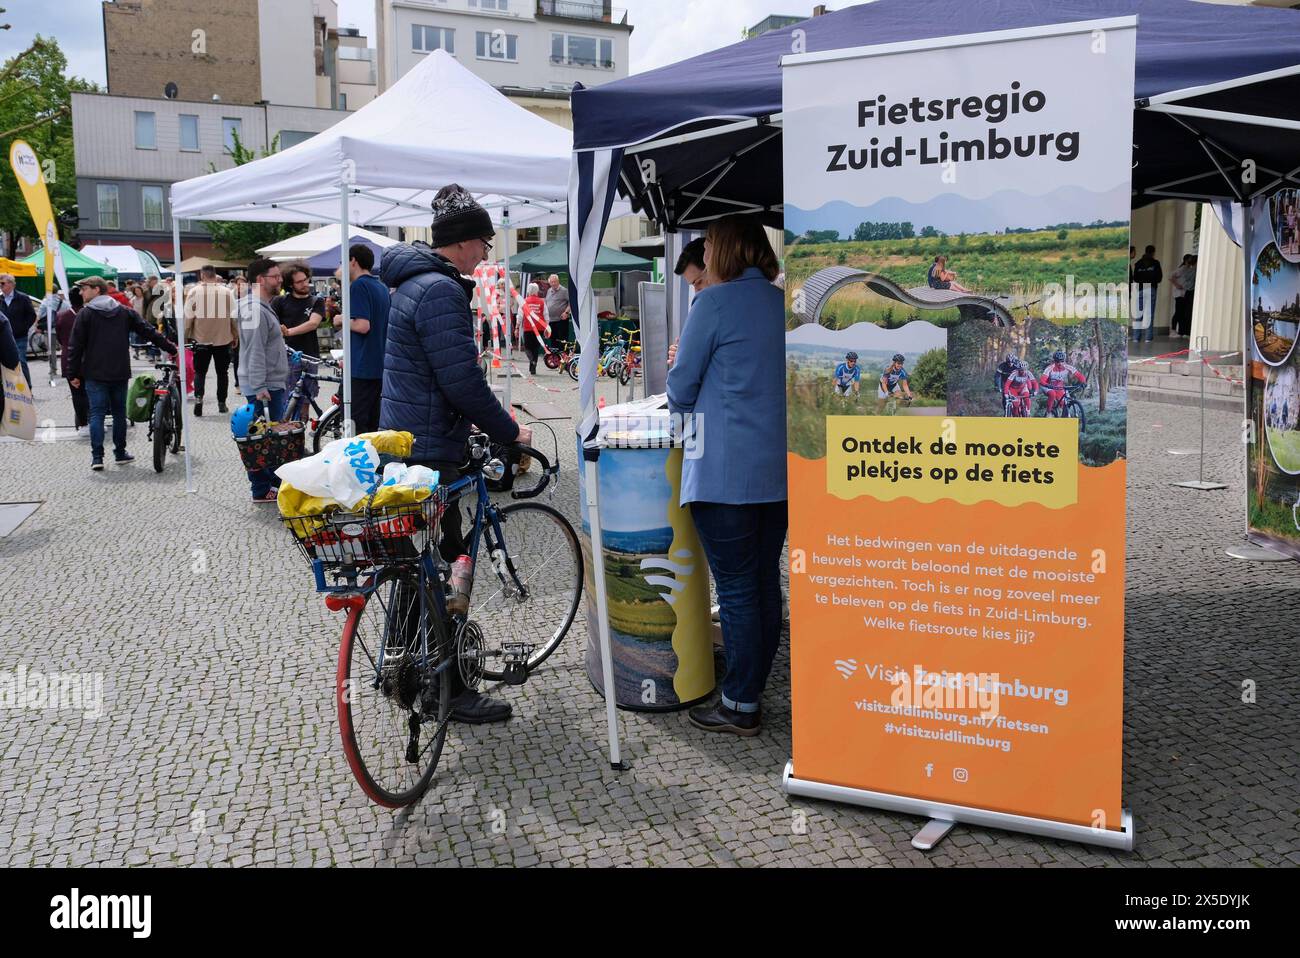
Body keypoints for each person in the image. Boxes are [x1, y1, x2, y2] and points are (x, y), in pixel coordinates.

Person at [379, 184, 533, 726]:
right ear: (464, 243)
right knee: (444, 566)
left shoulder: (410, 283)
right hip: (429, 447)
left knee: (414, 561)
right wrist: (511, 431)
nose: (488, 254)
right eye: (485, 244)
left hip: (404, 440)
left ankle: (402, 663)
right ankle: (450, 691)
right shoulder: (440, 291)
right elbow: (462, 381)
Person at [666, 214, 787, 737]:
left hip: (723, 472)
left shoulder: (712, 304)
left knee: (737, 589)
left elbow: (680, 388)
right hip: (777, 475)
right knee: (762, 581)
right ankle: (754, 684)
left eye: (711, 243)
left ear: (727, 249)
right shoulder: (781, 303)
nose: (706, 251)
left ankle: (740, 702)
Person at [67, 276, 177, 471]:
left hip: (94, 372)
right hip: (119, 371)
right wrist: (170, 347)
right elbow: (148, 331)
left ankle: (97, 457)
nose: (81, 292)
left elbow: (75, 347)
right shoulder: (123, 312)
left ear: (97, 290)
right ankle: (119, 453)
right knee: (119, 414)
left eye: (84, 288)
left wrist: (73, 374)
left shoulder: (85, 315)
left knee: (97, 414)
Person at [236, 258, 290, 503]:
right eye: (275, 276)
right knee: (258, 441)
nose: (280, 280)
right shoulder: (254, 309)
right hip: (264, 386)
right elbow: (254, 351)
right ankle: (260, 489)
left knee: (267, 438)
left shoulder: (260, 306)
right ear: (260, 280)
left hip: (269, 383)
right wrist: (259, 387)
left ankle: (269, 483)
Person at [335, 244, 390, 435]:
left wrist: (341, 319)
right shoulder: (381, 287)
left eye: (344, 261)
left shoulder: (359, 285)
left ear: (353, 261)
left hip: (360, 369)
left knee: (353, 425)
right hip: (378, 366)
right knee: (372, 427)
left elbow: (362, 325)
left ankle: (355, 465)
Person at [274, 262, 325, 419]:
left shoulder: (316, 301)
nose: (305, 284)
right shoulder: (280, 301)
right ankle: (285, 436)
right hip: (287, 356)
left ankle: (300, 437)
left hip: (309, 356)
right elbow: (273, 324)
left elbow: (313, 323)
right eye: (299, 282)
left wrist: (288, 331)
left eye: (305, 279)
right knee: (286, 400)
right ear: (290, 284)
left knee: (305, 402)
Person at [186, 265, 239, 416]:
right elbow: (233, 317)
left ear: (202, 275)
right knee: (222, 373)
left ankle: (198, 399)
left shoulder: (194, 292)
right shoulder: (227, 292)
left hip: (201, 338)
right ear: (215, 276)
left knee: (200, 372)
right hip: (222, 338)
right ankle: (221, 403)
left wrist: (186, 336)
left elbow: (188, 317)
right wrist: (235, 335)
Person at [667, 238, 711, 368]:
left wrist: (685, 358)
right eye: (693, 285)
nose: (697, 291)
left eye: (699, 282)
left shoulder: (714, 307)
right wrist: (684, 354)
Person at [55, 286, 89, 435]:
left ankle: (83, 424)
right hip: (88, 358)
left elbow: (60, 338)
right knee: (91, 391)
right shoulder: (89, 314)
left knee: (77, 393)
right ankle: (92, 420)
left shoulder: (61, 316)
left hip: (68, 357)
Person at [0, 273, 36, 386]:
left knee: (20, 361)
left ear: (11, 284)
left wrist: (23, 328)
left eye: (2, 283)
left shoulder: (23, 298)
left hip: (19, 336)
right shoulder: (0, 299)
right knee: (6, 362)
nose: (0, 286)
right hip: (4, 337)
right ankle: (11, 388)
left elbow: (32, 315)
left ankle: (27, 387)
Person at [1039, 349, 1086, 416]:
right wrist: (1047, 385)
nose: (1060, 363)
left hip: (1058, 386)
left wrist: (1083, 382)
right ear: (1054, 361)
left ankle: (1063, 416)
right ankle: (1048, 412)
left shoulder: (1067, 367)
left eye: (1062, 361)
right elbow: (1042, 381)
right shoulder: (1049, 368)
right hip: (1047, 385)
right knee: (1052, 394)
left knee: (1065, 403)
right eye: (1058, 362)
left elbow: (1079, 375)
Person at [1131, 245, 1162, 342]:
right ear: (1153, 252)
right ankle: (1148, 337)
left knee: (1138, 314)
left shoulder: (1138, 263)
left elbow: (1135, 277)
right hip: (1151, 288)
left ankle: (1136, 337)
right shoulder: (1156, 263)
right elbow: (1159, 278)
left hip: (1140, 289)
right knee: (1149, 314)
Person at [520, 282, 550, 375]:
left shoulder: (524, 301)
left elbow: (520, 315)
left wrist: (517, 326)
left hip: (528, 327)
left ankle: (532, 360)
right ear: (537, 291)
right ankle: (533, 368)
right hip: (539, 327)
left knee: (528, 347)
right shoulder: (542, 302)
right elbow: (546, 316)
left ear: (528, 290)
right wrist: (547, 327)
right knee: (535, 348)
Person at [1170, 254, 1197, 337]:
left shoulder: (1188, 269)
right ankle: (1174, 331)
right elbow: (1171, 276)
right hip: (1180, 294)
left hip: (1184, 293)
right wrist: (1177, 285)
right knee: (1179, 312)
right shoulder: (1183, 269)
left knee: (1182, 313)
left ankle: (1181, 331)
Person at [544, 273, 571, 346]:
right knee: (553, 340)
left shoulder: (564, 291)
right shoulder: (549, 291)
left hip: (561, 320)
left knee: (562, 340)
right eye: (551, 282)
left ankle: (564, 355)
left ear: (558, 281)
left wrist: (566, 312)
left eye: (554, 281)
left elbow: (571, 303)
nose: (553, 284)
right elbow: (546, 303)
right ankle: (555, 356)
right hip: (551, 320)